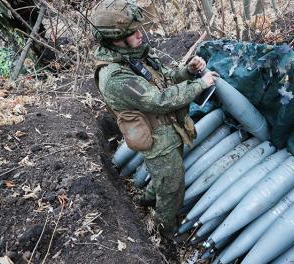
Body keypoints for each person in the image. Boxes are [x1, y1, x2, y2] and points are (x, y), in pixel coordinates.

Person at [90, 0, 218, 240]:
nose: (141, 34)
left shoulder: (130, 55)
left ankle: (147, 199)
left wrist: (187, 72)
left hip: (168, 128)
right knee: (172, 187)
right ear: (116, 39)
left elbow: (163, 78)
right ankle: (162, 231)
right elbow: (158, 100)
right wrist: (199, 84)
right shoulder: (115, 75)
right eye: (133, 32)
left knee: (166, 176)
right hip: (157, 138)